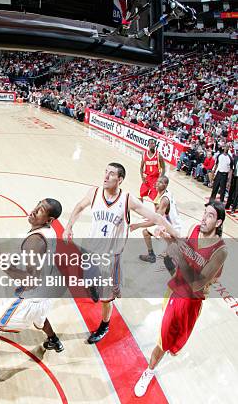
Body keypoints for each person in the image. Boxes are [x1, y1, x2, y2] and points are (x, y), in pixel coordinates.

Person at [63, 163, 175, 344]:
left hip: (110, 257)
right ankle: (93, 285)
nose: (106, 176)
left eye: (111, 174)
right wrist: (68, 226)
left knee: (106, 299)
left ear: (120, 179)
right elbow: (78, 206)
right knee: (86, 277)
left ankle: (104, 325)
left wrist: (177, 236)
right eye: (105, 172)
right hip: (91, 250)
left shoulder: (127, 200)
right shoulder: (95, 192)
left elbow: (156, 217)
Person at [134, 202, 227, 397]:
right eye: (204, 213)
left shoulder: (220, 251)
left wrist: (180, 257)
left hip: (194, 300)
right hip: (177, 293)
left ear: (218, 222)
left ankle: (171, 345)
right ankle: (149, 371)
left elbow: (197, 285)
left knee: (179, 339)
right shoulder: (194, 229)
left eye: (209, 215)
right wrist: (166, 238)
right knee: (163, 339)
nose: (203, 217)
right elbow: (181, 248)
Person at [0, 199, 64, 379]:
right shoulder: (50, 232)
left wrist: (0, 262)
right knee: (41, 318)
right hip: (47, 292)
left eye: (40, 210)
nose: (34, 210)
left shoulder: (35, 241)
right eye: (37, 205)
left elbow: (31, 280)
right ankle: (53, 340)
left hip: (31, 297)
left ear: (49, 219)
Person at [131, 176, 182, 263]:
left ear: (165, 185)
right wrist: (150, 216)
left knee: (145, 232)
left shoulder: (164, 200)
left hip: (172, 229)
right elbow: (158, 214)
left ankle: (170, 250)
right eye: (157, 181)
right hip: (173, 225)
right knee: (148, 230)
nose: (157, 183)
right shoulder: (165, 193)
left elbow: (156, 220)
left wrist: (137, 225)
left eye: (160, 182)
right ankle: (170, 250)